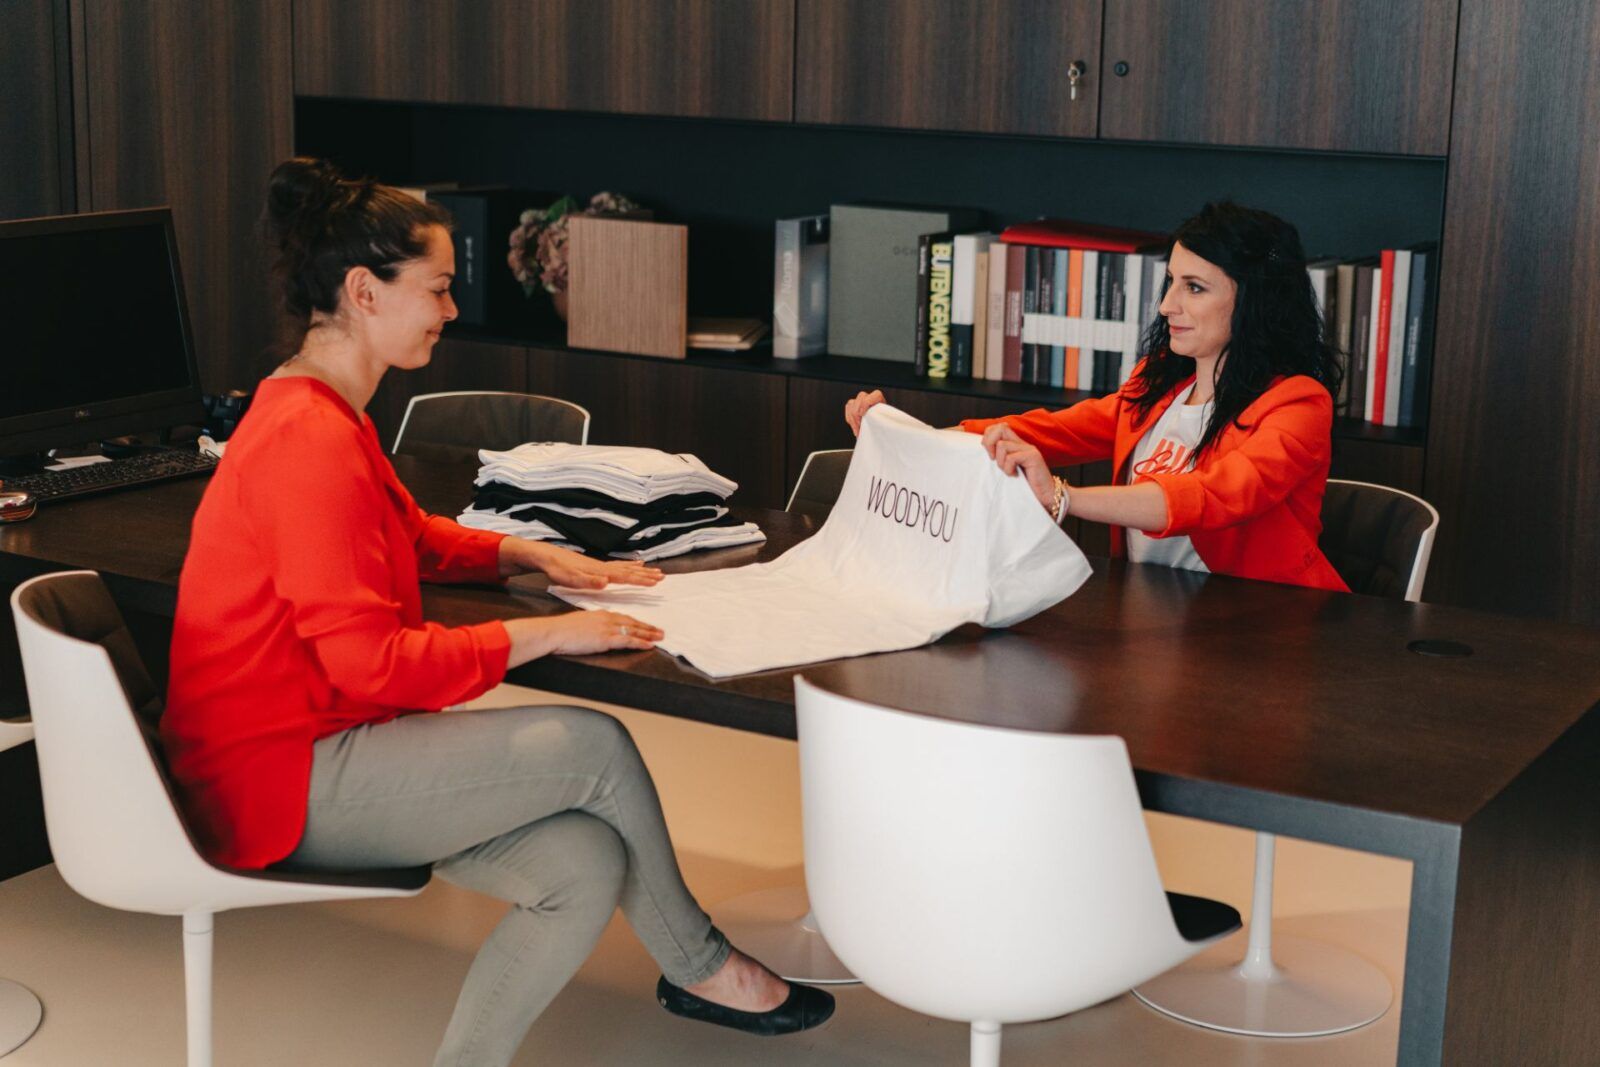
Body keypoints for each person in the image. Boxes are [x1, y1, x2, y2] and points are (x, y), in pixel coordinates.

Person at [162, 157, 832, 1067]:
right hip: (277, 777)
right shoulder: (309, 438)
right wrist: (548, 631)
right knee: (595, 745)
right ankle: (702, 967)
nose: (450, 309)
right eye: (437, 288)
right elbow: (372, 663)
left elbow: (407, 531)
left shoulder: (314, 405)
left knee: (584, 865)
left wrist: (525, 553)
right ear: (364, 291)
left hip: (311, 743)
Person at [846, 202, 1349, 591]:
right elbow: (1055, 431)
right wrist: (914, 435)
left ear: (1256, 301)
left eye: (1195, 288)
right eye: (1171, 282)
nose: (1167, 305)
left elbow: (1213, 496)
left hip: (1265, 626)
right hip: (1158, 612)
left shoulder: (1298, 405)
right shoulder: (1161, 383)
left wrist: (1064, 498)